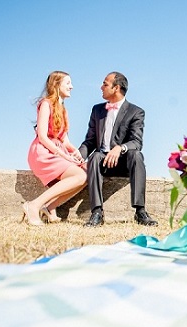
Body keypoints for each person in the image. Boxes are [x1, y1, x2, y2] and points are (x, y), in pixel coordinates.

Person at [78, 71, 158, 227]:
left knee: (137, 155)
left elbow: (136, 142)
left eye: (105, 84)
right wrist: (77, 156)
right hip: (102, 161)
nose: (101, 87)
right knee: (94, 157)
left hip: (123, 162)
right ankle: (97, 212)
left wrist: (120, 148)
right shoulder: (97, 110)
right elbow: (90, 141)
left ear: (116, 88)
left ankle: (140, 211)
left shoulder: (136, 112)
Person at [23, 71, 87, 226]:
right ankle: (33, 205)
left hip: (58, 151)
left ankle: (49, 206)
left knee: (86, 174)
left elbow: (64, 140)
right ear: (57, 85)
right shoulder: (46, 104)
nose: (71, 86)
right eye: (68, 83)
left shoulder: (63, 109)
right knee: (80, 175)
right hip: (43, 152)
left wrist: (75, 152)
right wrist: (64, 156)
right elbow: (43, 136)